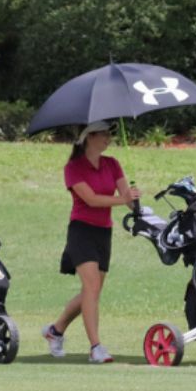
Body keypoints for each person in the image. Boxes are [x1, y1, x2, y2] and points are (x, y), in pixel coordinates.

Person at [42, 120, 140, 364]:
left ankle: (55, 331)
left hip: (103, 232)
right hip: (81, 232)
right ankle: (96, 348)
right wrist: (122, 199)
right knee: (92, 289)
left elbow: (127, 199)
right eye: (104, 134)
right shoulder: (73, 168)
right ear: (89, 137)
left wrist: (133, 200)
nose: (108, 138)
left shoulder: (112, 163)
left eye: (110, 134)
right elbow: (92, 200)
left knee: (92, 291)